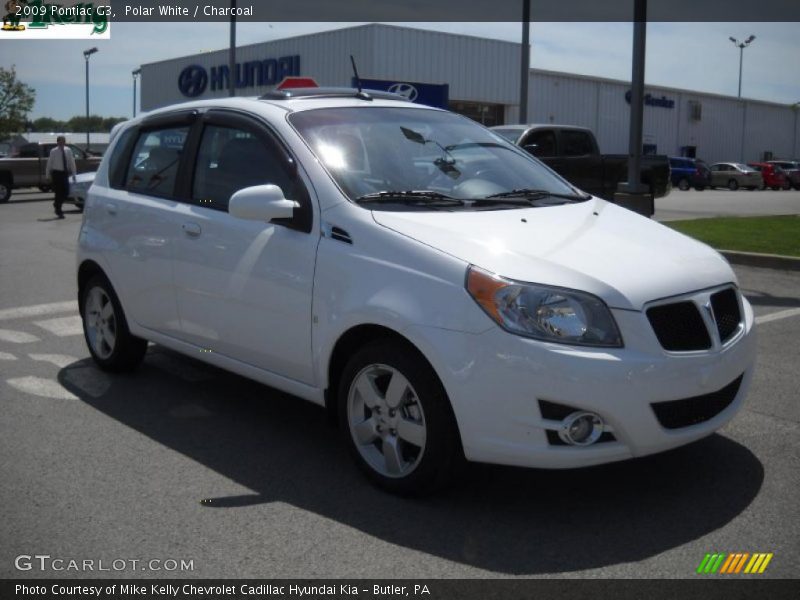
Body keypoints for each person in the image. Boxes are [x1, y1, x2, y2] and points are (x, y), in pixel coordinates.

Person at [46, 136, 77, 219]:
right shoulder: (53, 151)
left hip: (64, 173)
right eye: (60, 141)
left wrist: (74, 174)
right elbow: (49, 163)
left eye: (63, 141)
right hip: (56, 173)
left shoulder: (68, 150)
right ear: (57, 142)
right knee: (58, 192)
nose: (62, 143)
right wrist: (47, 175)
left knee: (66, 192)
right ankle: (59, 210)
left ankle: (56, 203)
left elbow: (72, 162)